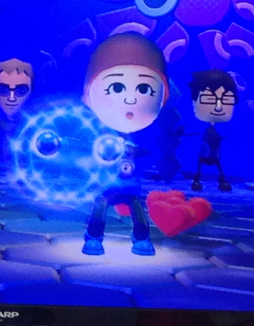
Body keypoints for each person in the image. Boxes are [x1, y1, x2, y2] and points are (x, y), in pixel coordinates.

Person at [82, 33, 169, 256]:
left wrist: (137, 152)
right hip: (106, 184)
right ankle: (93, 237)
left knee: (138, 211)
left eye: (143, 89)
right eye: (117, 88)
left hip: (130, 186)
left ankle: (141, 238)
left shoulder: (137, 138)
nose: (130, 100)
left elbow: (147, 153)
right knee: (99, 208)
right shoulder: (102, 137)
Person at [188, 69, 237, 192]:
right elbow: (195, 134)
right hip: (207, 154)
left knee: (213, 166)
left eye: (226, 99)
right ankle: (198, 180)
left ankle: (220, 180)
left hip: (212, 154)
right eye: (208, 99)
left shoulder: (217, 129)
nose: (218, 107)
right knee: (203, 165)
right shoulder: (203, 127)